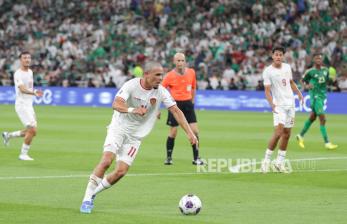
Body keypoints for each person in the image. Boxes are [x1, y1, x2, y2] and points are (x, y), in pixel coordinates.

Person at [80, 61, 198, 214]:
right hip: (119, 129)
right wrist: (132, 110)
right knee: (106, 161)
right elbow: (116, 104)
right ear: (146, 74)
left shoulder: (161, 91)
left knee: (121, 171)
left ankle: (93, 193)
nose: (160, 78)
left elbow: (176, 111)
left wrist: (189, 132)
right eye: (157, 75)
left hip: (135, 137)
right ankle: (87, 198)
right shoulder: (131, 85)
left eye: (161, 75)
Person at [261, 46, 303, 173]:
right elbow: (267, 90)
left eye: (280, 54)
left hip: (290, 104)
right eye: (276, 54)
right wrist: (271, 104)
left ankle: (279, 162)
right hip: (279, 105)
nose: (278, 57)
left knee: (287, 134)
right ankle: (266, 161)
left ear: (283, 56)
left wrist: (299, 93)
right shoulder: (268, 71)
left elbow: (290, 82)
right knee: (278, 132)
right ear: (272, 56)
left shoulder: (287, 67)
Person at [161, 53, 203, 165]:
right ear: (174, 62)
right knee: (173, 132)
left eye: (182, 60)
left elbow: (194, 87)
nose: (180, 63)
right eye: (178, 60)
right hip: (175, 105)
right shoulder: (169, 75)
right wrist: (159, 108)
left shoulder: (191, 72)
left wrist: (192, 101)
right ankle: (169, 158)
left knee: (195, 131)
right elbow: (161, 90)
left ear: (185, 61)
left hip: (188, 104)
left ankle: (196, 158)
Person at [2, 51, 43, 160]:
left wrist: (34, 92)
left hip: (29, 105)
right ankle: (23, 154)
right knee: (33, 130)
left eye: (29, 58)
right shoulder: (18, 73)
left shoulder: (30, 72)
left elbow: (28, 87)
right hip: (22, 105)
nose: (27, 60)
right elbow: (22, 89)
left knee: (32, 131)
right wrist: (34, 92)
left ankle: (8, 135)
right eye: (25, 58)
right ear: (20, 60)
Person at [296, 53, 338, 149]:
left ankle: (300, 135)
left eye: (320, 58)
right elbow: (301, 81)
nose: (318, 60)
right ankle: (327, 143)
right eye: (316, 58)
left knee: (312, 118)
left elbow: (328, 81)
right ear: (313, 60)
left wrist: (333, 78)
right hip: (315, 97)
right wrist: (306, 86)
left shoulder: (326, 70)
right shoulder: (310, 72)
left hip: (322, 96)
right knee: (323, 119)